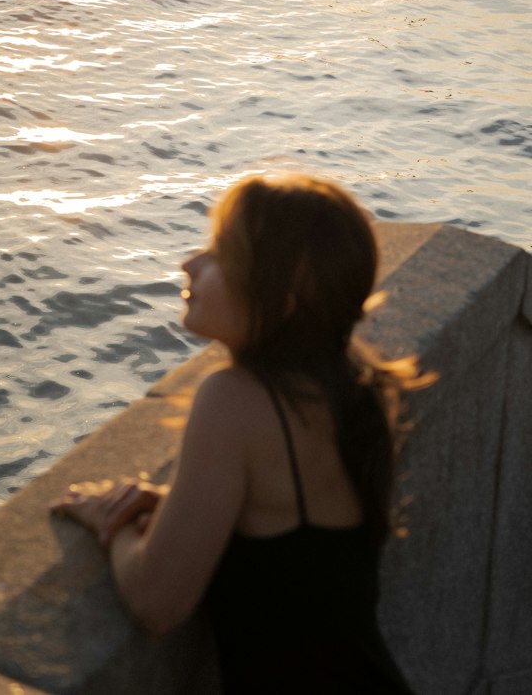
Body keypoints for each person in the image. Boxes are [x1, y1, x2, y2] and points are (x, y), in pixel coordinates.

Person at [50, 172, 430, 694]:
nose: (190, 263)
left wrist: (111, 523)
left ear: (284, 300)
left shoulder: (234, 399)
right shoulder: (351, 389)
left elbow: (158, 603)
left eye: (220, 255)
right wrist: (169, 504)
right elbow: (293, 546)